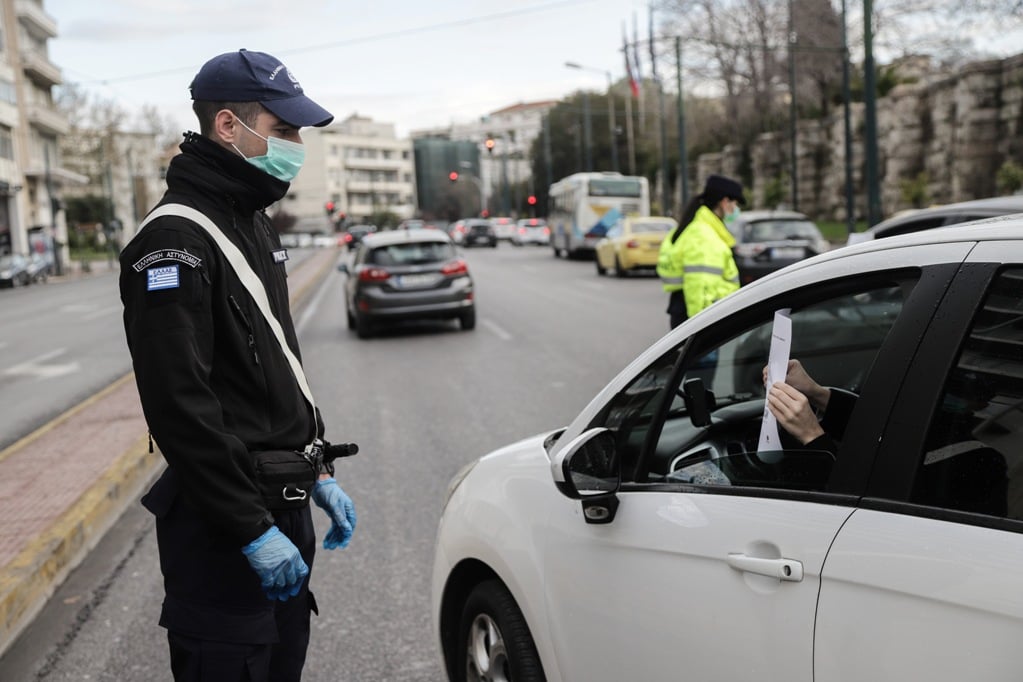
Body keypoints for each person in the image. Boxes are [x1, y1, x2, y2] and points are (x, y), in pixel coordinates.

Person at [118, 49, 356, 682]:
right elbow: (179, 405)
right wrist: (251, 528)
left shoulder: (251, 221)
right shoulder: (174, 242)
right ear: (229, 126)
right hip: (227, 531)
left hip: (282, 502)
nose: (297, 145)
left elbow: (276, 367)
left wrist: (318, 464)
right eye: (284, 131)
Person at [657, 174, 745, 328]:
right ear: (725, 202)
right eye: (736, 204)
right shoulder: (703, 236)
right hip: (701, 319)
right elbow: (699, 286)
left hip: (686, 310)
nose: (737, 210)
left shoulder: (699, 227)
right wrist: (701, 327)